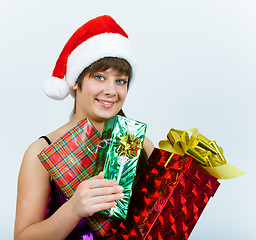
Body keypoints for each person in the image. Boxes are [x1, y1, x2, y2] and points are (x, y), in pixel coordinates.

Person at [14, 15, 154, 240]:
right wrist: (73, 209)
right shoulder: (40, 153)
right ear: (75, 82)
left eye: (121, 81)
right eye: (99, 77)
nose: (111, 90)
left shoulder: (140, 142)